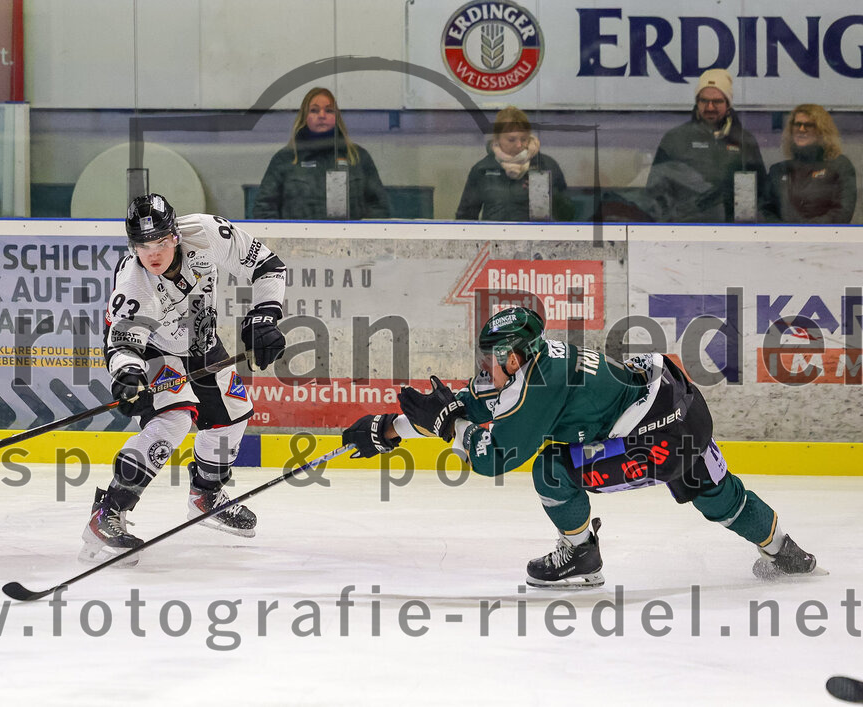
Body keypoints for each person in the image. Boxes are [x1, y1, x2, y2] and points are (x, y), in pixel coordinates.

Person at [342, 306, 818, 588]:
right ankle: (786, 552)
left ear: (514, 355)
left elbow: (491, 456)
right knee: (719, 493)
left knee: (551, 469)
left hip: (656, 439)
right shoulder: (540, 359)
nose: (486, 364)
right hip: (681, 406)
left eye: (493, 356)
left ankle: (580, 554)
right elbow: (480, 403)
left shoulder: (537, 385)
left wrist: (447, 426)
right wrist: (393, 428)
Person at [80, 193, 287, 565]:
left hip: (201, 342)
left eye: (160, 241)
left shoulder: (207, 233)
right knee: (175, 418)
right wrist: (128, 375)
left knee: (235, 412)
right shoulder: (134, 284)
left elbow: (268, 265)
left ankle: (204, 496)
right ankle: (107, 513)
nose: (153, 254)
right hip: (152, 350)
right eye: (143, 246)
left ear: (175, 235)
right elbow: (121, 343)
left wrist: (264, 316)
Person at [645, 68, 766, 222]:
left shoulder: (745, 141)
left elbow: (760, 193)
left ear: (728, 104)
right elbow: (655, 194)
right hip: (683, 231)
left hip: (733, 233)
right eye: (704, 101)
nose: (710, 107)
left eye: (717, 101)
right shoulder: (675, 139)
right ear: (697, 101)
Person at [252, 87, 390, 220]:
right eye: (314, 110)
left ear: (337, 117)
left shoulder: (357, 157)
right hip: (298, 242)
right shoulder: (286, 158)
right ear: (304, 117)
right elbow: (264, 209)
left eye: (329, 110)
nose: (322, 116)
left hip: (350, 242)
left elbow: (379, 207)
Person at [455, 106, 574, 221]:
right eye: (511, 140)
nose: (519, 145)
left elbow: (567, 215)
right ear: (497, 139)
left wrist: (549, 194)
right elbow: (465, 217)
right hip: (493, 239)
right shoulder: (483, 169)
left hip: (535, 238)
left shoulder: (545, 165)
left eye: (524, 139)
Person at [763, 104, 858, 224]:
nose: (801, 129)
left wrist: (808, 230)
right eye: (797, 124)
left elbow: (843, 212)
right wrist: (785, 232)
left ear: (821, 131)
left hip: (826, 239)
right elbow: (765, 210)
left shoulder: (839, 165)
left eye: (809, 125)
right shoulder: (778, 170)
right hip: (783, 240)